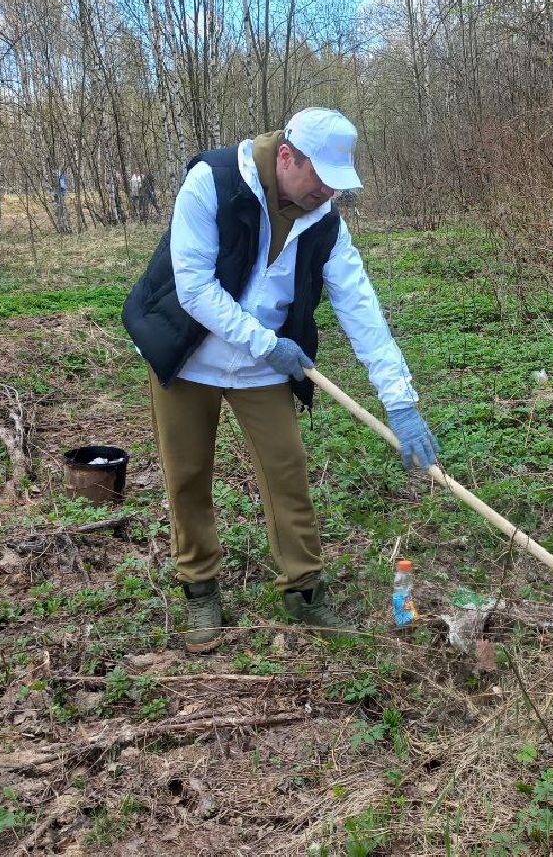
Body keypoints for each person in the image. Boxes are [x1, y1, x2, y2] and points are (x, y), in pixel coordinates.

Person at [122, 107, 440, 651]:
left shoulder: (326, 221)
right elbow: (194, 289)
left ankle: (304, 592)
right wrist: (268, 343)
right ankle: (200, 589)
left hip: (259, 368)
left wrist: (400, 400)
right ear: (287, 157)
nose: (329, 194)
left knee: (286, 474)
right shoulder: (213, 182)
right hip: (186, 351)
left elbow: (361, 309)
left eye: (339, 185)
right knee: (188, 474)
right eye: (322, 179)